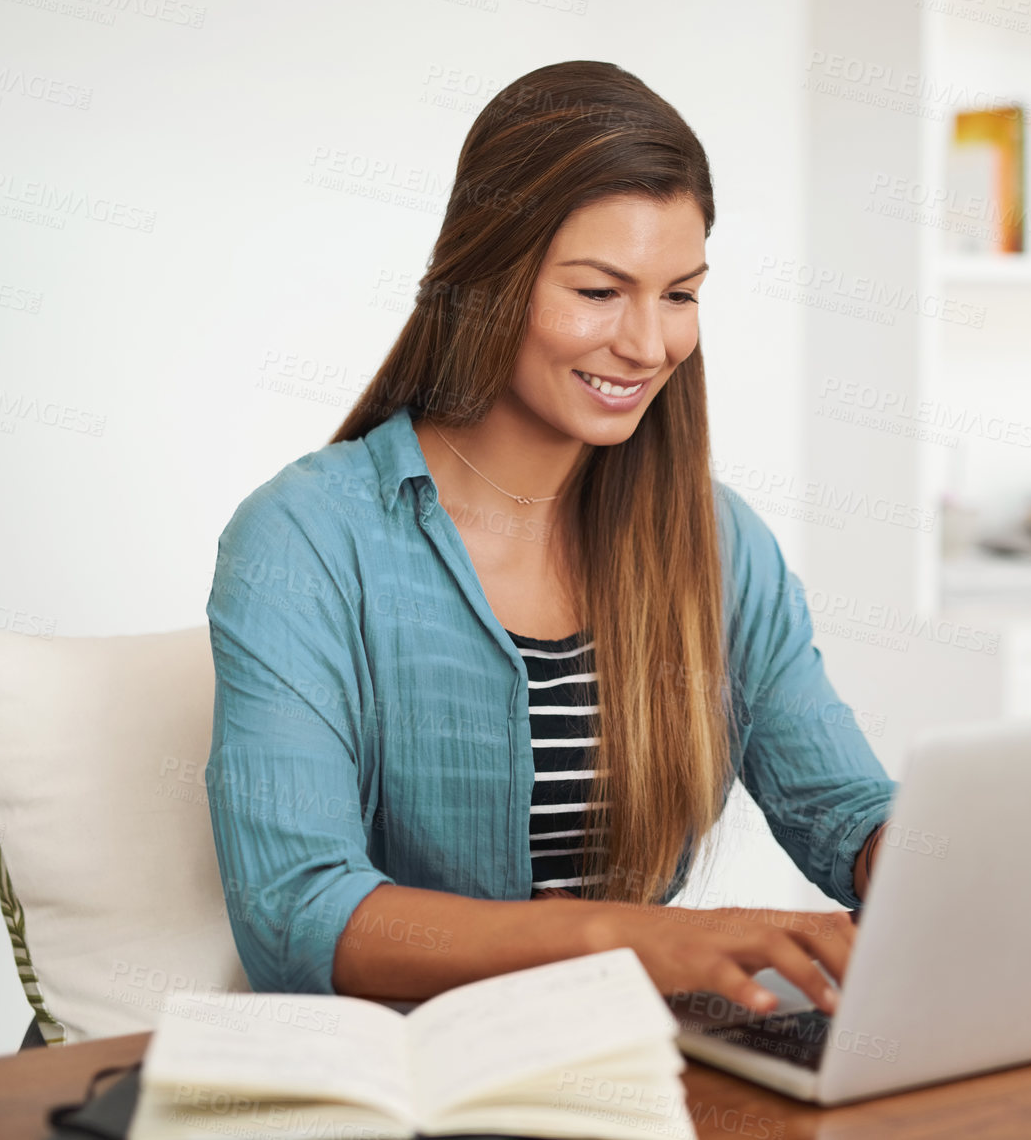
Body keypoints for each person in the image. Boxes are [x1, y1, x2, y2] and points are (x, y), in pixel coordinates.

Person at [204, 60, 895, 1020]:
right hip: (410, 1071)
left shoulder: (720, 542)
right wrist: (646, 942)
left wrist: (943, 865)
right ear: (488, 275)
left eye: (681, 295)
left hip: (627, 1062)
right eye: (601, 291)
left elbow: (846, 812)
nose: (650, 346)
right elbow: (297, 914)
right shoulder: (307, 539)